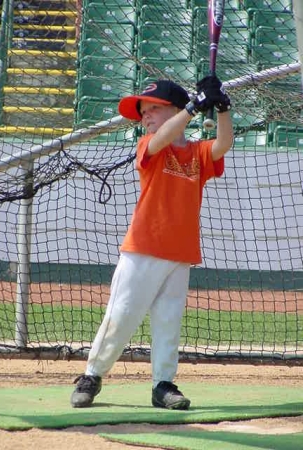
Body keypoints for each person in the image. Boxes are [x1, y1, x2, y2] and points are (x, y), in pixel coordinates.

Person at [70, 75, 234, 410]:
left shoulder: (197, 153)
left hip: (180, 253)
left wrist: (222, 109)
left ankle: (163, 385)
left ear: (172, 108)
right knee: (122, 315)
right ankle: (92, 375)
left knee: (168, 323)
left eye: (153, 109)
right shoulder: (148, 146)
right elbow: (161, 139)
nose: (145, 116)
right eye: (143, 112)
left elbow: (222, 144)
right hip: (143, 248)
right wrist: (191, 108)